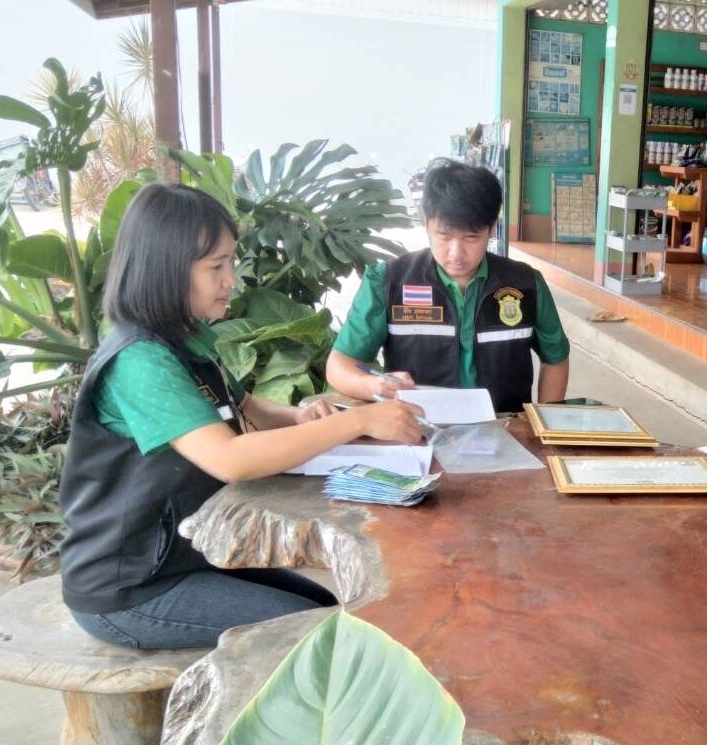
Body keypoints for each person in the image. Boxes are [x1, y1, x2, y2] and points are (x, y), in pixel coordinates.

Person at [60, 183, 424, 650]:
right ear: (165, 269)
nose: (230, 280)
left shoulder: (185, 338)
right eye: (216, 267)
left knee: (322, 607)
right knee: (320, 634)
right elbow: (230, 458)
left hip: (183, 556)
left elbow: (245, 407)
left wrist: (299, 416)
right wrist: (357, 422)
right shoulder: (139, 360)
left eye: (230, 262)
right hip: (129, 587)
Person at [326, 158, 570, 412]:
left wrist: (543, 423)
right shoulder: (388, 282)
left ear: (491, 229)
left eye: (471, 237)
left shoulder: (526, 284)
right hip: (418, 427)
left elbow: (556, 359)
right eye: (444, 235)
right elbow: (340, 365)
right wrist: (373, 385)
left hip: (504, 426)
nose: (456, 253)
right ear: (425, 221)